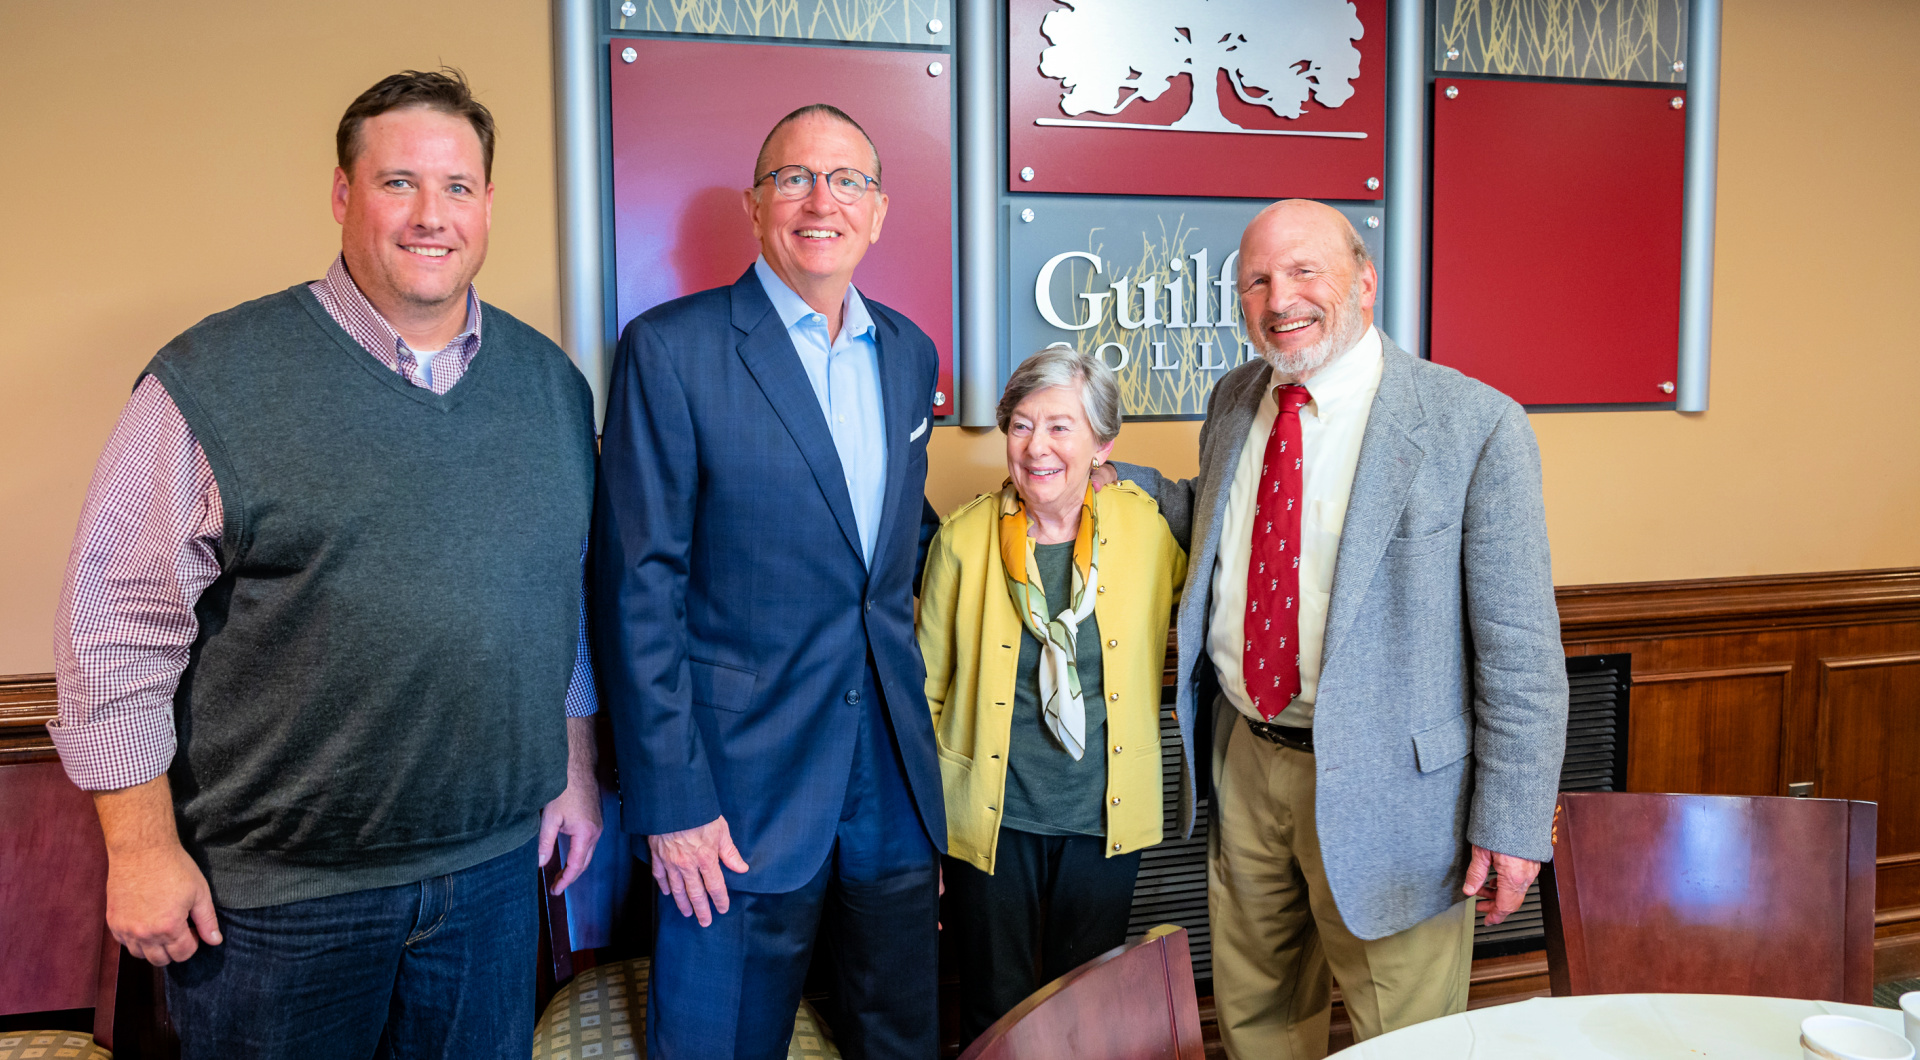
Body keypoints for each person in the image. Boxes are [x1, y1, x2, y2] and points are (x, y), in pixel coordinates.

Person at [47, 69, 603, 1058]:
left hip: (486, 883)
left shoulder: (551, 388)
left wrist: (575, 765)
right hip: (278, 905)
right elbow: (117, 622)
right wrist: (138, 850)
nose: (431, 215)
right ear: (343, 194)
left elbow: (556, 597)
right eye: (398, 183)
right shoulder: (214, 378)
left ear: (487, 205)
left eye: (458, 187)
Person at [1099, 199, 1568, 1058]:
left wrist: (1512, 821)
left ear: (1364, 280)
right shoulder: (1238, 398)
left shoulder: (1474, 424)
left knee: (1407, 1042)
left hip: (1399, 798)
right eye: (1258, 280)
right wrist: (1113, 480)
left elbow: (1522, 652)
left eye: (1305, 271)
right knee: (1257, 1026)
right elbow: (1232, 528)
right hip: (1247, 762)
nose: (1282, 298)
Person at [592, 103, 945, 1059]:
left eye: (846, 182)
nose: (819, 200)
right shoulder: (670, 350)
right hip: (733, 792)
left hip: (891, 782)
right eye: (793, 178)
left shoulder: (911, 355)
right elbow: (636, 591)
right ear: (756, 208)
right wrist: (672, 804)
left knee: (898, 1038)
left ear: (877, 213)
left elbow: (889, 547)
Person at [917, 346, 1186, 1046]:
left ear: (1103, 443)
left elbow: (1215, 605)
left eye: (1061, 427)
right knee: (993, 1010)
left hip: (1105, 822)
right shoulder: (963, 538)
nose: (1038, 447)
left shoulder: (1149, 530)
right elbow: (927, 697)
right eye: (1022, 425)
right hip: (990, 825)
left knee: (1090, 1014)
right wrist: (928, 839)